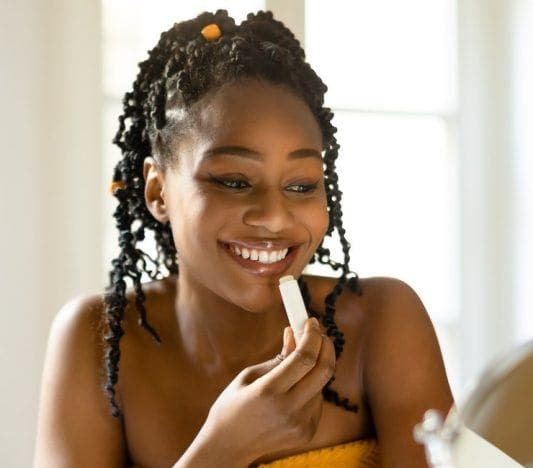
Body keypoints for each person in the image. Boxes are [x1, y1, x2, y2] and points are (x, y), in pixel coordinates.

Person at [34, 9, 454, 468]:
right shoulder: (100, 340)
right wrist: (222, 449)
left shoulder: (383, 320)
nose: (275, 217)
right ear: (157, 191)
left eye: (301, 185)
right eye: (233, 180)